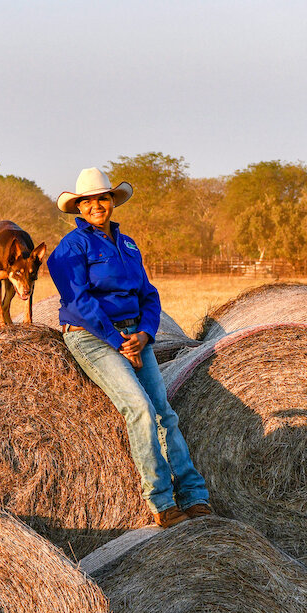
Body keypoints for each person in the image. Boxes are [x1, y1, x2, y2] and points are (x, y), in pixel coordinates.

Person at [48, 167, 212, 528]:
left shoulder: (128, 245)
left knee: (164, 412)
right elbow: (77, 302)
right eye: (88, 201)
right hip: (92, 336)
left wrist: (146, 334)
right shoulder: (70, 248)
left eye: (102, 198)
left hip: (134, 335)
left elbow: (149, 296)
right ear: (79, 207)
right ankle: (161, 501)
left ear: (111, 202)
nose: (96, 205)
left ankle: (195, 495)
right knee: (138, 408)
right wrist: (117, 339)